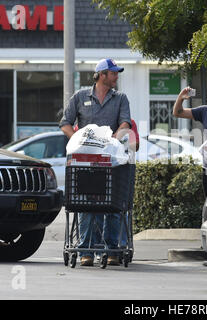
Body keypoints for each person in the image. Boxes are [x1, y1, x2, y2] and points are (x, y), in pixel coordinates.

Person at [59, 58, 132, 266]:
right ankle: (86, 251)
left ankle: (112, 250)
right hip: (85, 164)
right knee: (86, 206)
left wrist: (113, 141)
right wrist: (76, 140)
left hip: (111, 162)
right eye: (114, 73)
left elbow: (125, 122)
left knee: (112, 205)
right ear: (102, 75)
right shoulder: (80, 97)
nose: (117, 76)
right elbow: (65, 123)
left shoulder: (120, 98)